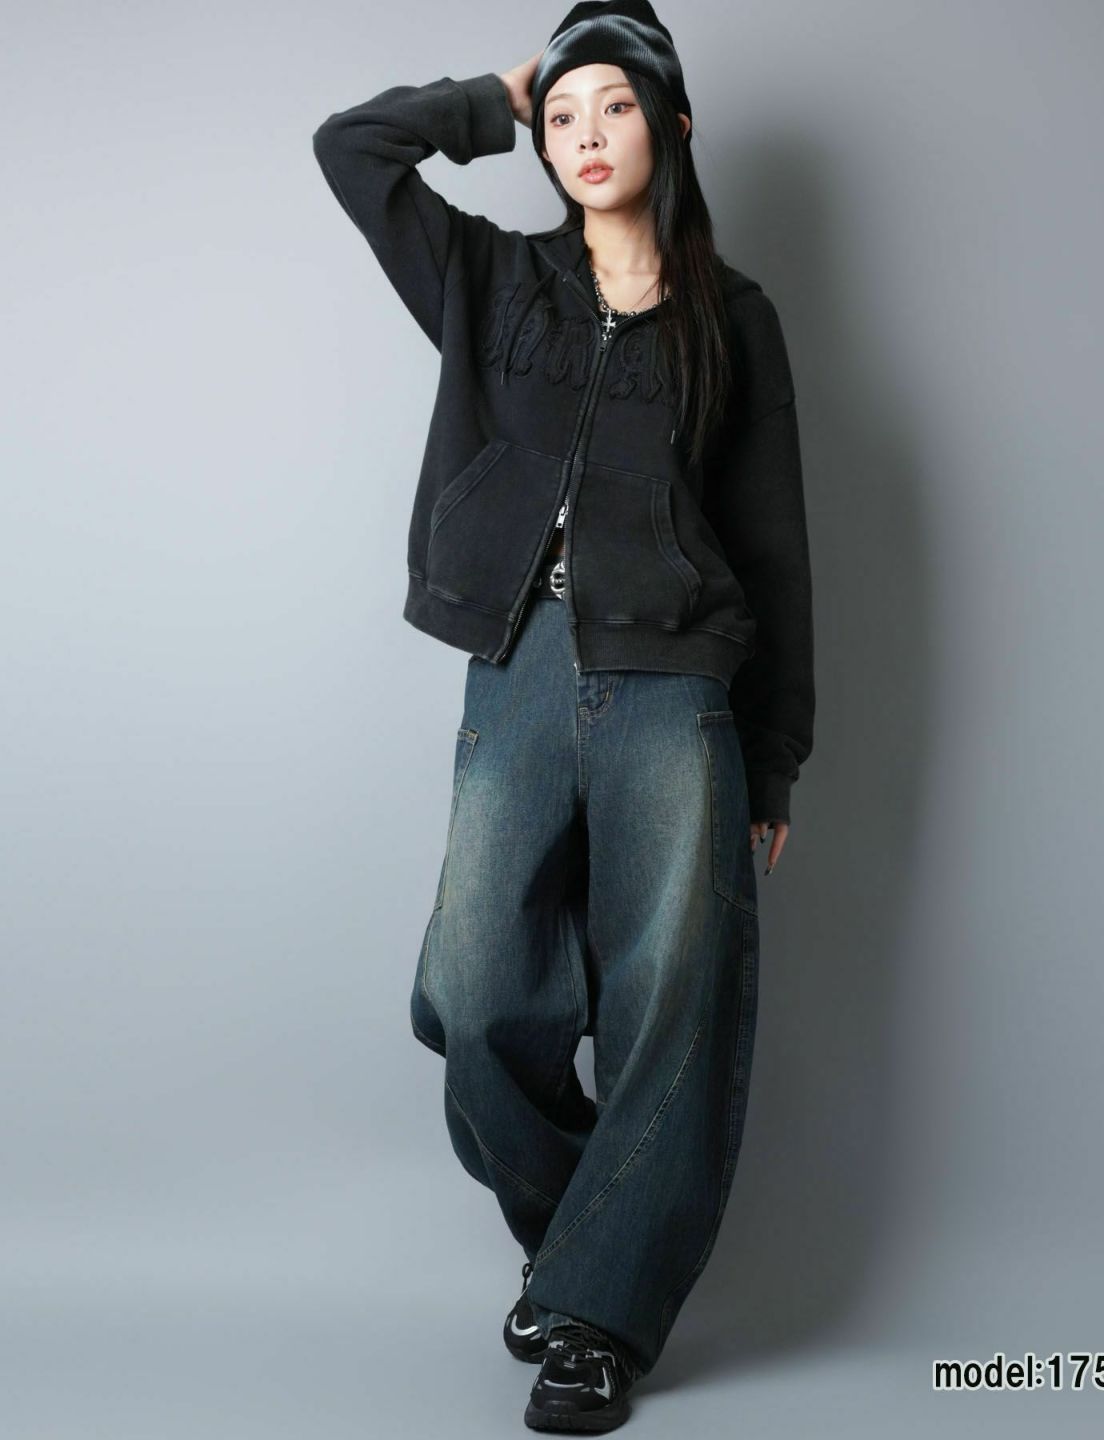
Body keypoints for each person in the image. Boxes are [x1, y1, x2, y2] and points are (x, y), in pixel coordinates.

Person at [312, 1, 814, 1429]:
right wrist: (497, 94)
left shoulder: (736, 321)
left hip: (678, 687)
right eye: (568, 114)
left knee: (674, 1003)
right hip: (521, 663)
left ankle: (594, 1320)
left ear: (674, 127)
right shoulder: (490, 279)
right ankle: (594, 1240)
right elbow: (352, 151)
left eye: (618, 106)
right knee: (478, 997)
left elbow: (773, 548)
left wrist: (774, 753)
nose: (588, 135)